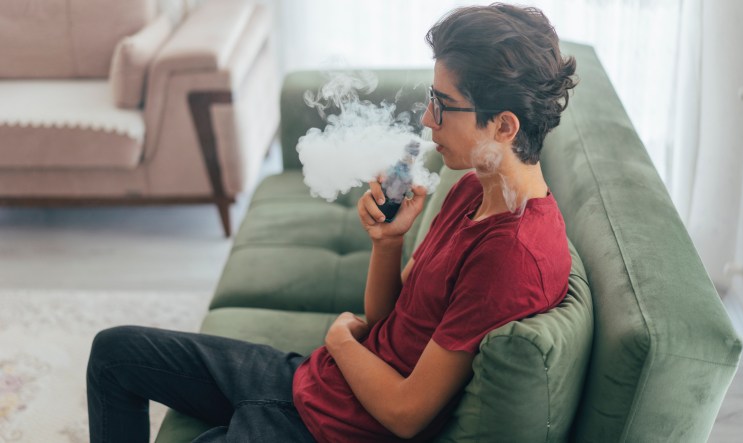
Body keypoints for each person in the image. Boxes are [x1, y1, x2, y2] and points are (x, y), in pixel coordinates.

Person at [86, 3, 577, 442]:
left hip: (331, 430)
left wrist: (339, 339)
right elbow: (389, 319)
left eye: (444, 106)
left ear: (504, 126)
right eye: (432, 97)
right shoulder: (475, 189)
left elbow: (407, 415)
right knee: (113, 354)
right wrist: (387, 242)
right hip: (313, 382)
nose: (427, 119)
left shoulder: (510, 255)